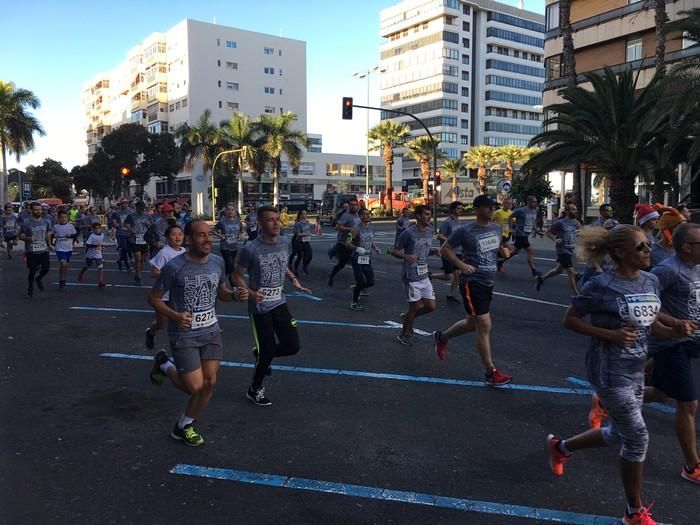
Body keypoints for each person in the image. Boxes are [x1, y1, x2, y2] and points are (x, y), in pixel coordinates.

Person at [546, 224, 692, 525]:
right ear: (619, 253)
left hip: (636, 368)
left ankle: (560, 447)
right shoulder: (601, 285)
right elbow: (570, 320)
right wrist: (608, 334)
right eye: (640, 246)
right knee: (637, 438)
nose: (649, 250)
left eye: (648, 244)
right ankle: (633, 512)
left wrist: (674, 326)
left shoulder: (651, 281)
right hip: (609, 372)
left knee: (616, 434)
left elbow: (652, 324)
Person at [148, 219, 247, 446]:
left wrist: (233, 295)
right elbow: (153, 298)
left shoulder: (217, 262)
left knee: (209, 383)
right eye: (201, 235)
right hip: (184, 334)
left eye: (209, 234)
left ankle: (184, 425)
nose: (207, 239)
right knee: (195, 387)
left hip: (211, 330)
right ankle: (164, 364)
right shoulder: (174, 267)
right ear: (189, 240)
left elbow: (222, 291)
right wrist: (175, 316)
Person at [234, 206, 311, 407]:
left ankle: (261, 354)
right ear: (260, 224)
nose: (276, 223)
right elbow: (237, 276)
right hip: (259, 307)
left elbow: (282, 263)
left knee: (293, 346)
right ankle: (255, 388)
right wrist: (251, 293)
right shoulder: (250, 249)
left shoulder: (285, 242)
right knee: (267, 350)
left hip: (279, 301)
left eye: (277, 219)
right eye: (270, 220)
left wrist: (293, 278)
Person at [433, 195, 512, 386]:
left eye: (493, 206)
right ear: (477, 209)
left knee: (471, 323)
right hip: (472, 283)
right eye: (487, 207)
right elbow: (445, 250)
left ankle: (442, 337)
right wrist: (461, 265)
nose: (491, 210)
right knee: (484, 324)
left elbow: (497, 247)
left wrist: (503, 251)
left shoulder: (495, 227)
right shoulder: (465, 230)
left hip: (488, 282)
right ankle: (490, 372)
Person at [645, 222, 700, 485]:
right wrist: (673, 323)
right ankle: (692, 466)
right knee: (688, 404)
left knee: (660, 393)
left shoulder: (695, 267)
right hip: (670, 342)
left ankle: (608, 400)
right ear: (687, 248)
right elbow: (644, 303)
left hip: (692, 338)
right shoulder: (666, 270)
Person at [391, 205, 439, 346]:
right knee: (413, 307)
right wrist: (406, 256)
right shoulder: (408, 233)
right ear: (418, 216)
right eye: (426, 214)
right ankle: (403, 334)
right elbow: (394, 250)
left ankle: (407, 318)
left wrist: (434, 251)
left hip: (424, 274)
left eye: (430, 214)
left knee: (431, 306)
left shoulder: (429, 232)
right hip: (411, 275)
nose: (429, 217)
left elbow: (425, 250)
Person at [144, 224, 187, 351]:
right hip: (163, 295)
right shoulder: (164, 253)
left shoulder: (185, 252)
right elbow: (153, 272)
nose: (177, 237)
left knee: (180, 322)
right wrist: (169, 277)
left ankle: (180, 348)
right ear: (168, 238)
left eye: (180, 234)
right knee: (162, 323)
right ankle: (150, 332)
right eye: (174, 234)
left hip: (179, 295)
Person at [536, 204, 582, 294]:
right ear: (567, 211)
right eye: (573, 209)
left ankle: (541, 279)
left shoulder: (576, 222)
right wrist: (555, 239)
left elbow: (581, 231)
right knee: (570, 271)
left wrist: (579, 234)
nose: (575, 211)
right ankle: (577, 295)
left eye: (576, 209)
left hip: (570, 248)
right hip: (562, 249)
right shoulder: (560, 222)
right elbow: (548, 232)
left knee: (559, 270)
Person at [431, 201, 464, 303]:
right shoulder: (447, 222)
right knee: (449, 276)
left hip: (458, 251)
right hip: (448, 251)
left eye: (461, 208)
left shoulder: (459, 222)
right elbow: (439, 235)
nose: (460, 210)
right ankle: (430, 276)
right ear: (453, 210)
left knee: (458, 274)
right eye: (458, 208)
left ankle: (450, 295)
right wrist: (449, 241)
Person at [19, 202, 52, 297]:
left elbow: (47, 233)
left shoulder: (46, 222)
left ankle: (38, 279)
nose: (38, 211)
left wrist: (49, 244)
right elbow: (20, 235)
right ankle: (30, 286)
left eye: (40, 209)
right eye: (36, 210)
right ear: (31, 210)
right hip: (31, 251)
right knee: (32, 271)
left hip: (43, 249)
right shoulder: (26, 222)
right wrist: (28, 238)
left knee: (46, 268)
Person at [350, 207, 380, 311]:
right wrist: (357, 248)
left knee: (371, 282)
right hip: (357, 258)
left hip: (367, 258)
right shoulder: (355, 228)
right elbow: (347, 243)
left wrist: (375, 248)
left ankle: (356, 288)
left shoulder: (371, 228)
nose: (368, 216)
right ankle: (354, 302)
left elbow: (371, 240)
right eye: (366, 214)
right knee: (360, 280)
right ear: (361, 216)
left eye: (369, 214)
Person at [503, 195, 540, 277]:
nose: (535, 203)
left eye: (536, 202)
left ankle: (501, 261)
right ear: (528, 202)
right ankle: (534, 270)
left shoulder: (534, 211)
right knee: (530, 251)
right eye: (533, 202)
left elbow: (532, 222)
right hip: (520, 234)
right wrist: (510, 228)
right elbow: (510, 217)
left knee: (514, 252)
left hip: (526, 234)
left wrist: (537, 231)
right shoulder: (521, 210)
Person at [328, 197, 360, 287]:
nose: (353, 207)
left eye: (355, 205)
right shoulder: (346, 215)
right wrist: (350, 229)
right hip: (344, 244)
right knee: (342, 264)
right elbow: (337, 227)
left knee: (357, 265)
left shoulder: (357, 215)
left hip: (354, 243)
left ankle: (361, 285)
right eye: (351, 205)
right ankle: (332, 275)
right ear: (349, 206)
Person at [214, 203, 243, 286]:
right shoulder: (222, 222)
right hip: (224, 247)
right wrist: (220, 236)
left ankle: (220, 283)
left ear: (235, 211)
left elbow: (242, 231)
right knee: (231, 265)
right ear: (225, 211)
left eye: (232, 210)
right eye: (228, 210)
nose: (230, 211)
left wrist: (241, 235)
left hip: (234, 247)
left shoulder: (238, 222)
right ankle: (234, 286)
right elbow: (214, 231)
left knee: (228, 266)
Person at [125, 201, 153, 285]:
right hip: (135, 239)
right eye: (140, 207)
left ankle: (138, 271)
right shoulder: (131, 216)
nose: (141, 209)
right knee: (138, 259)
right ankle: (138, 274)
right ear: (136, 207)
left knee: (143, 259)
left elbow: (152, 225)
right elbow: (126, 223)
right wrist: (130, 229)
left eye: (143, 208)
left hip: (144, 239)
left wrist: (148, 224)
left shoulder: (147, 215)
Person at [51, 209, 78, 290]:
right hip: (59, 248)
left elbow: (75, 235)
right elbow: (50, 235)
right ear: (58, 218)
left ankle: (62, 279)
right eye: (61, 217)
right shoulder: (55, 227)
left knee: (65, 266)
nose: (63, 219)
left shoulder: (71, 226)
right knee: (63, 264)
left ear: (67, 218)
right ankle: (62, 279)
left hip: (68, 248)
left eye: (65, 217)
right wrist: (52, 240)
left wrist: (71, 237)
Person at [78, 222, 106, 287]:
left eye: (98, 228)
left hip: (98, 253)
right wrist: (94, 246)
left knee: (100, 266)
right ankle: (81, 274)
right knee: (87, 266)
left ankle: (100, 281)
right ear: (93, 230)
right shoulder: (92, 236)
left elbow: (100, 242)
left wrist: (102, 246)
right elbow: (87, 245)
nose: (97, 230)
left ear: (101, 229)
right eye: (95, 229)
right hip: (90, 254)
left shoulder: (102, 235)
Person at [290, 210, 313, 276]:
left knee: (310, 255)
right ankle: (295, 270)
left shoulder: (307, 222)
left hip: (306, 241)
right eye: (304, 214)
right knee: (300, 256)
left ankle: (304, 266)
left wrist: (308, 234)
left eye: (306, 213)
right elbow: (297, 234)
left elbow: (308, 230)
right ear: (300, 215)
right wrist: (305, 234)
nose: (305, 215)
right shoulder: (298, 223)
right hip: (299, 241)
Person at [112, 200, 133, 272]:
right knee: (124, 248)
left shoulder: (131, 211)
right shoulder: (116, 212)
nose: (125, 204)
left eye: (126, 203)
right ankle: (127, 266)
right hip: (121, 233)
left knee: (128, 249)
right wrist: (116, 224)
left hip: (129, 233)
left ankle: (120, 260)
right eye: (123, 203)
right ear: (120, 204)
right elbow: (114, 222)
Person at [493, 198, 513, 272]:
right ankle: (499, 262)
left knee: (505, 251)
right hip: (499, 234)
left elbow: (512, 223)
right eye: (508, 203)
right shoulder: (498, 212)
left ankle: (499, 261)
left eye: (511, 203)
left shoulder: (511, 213)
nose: (510, 205)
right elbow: (490, 220)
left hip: (507, 233)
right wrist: (495, 226)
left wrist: (512, 230)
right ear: (503, 204)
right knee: (510, 250)